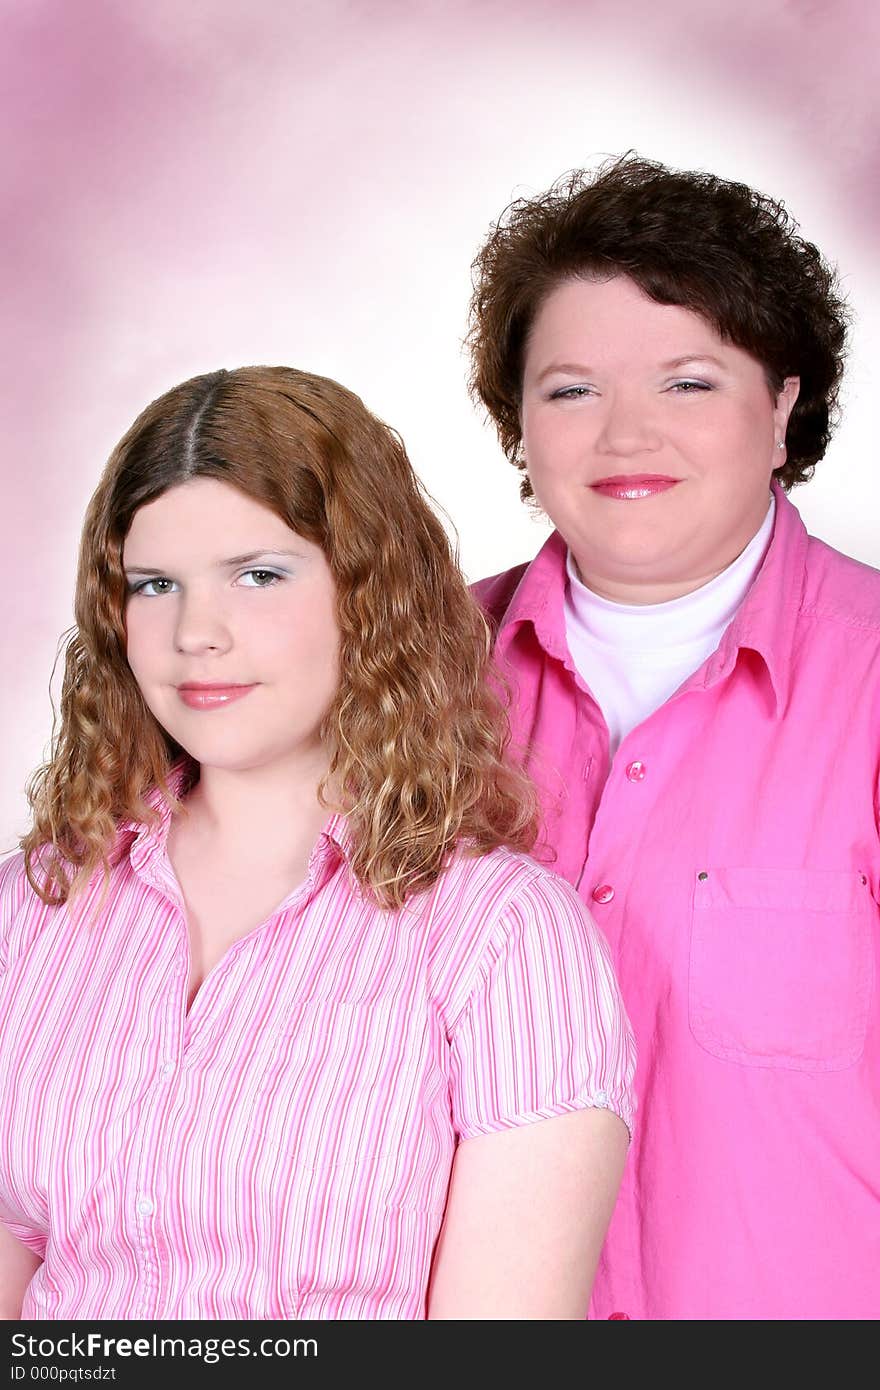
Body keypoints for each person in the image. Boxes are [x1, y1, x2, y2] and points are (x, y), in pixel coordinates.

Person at [0, 366, 635, 1321]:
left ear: (368, 595)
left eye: (258, 575)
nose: (195, 633)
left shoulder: (502, 939)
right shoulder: (32, 905)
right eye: (155, 585)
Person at [467, 155, 880, 1320]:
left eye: (689, 382)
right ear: (518, 422)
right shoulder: (412, 682)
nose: (627, 434)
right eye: (571, 388)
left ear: (784, 403)